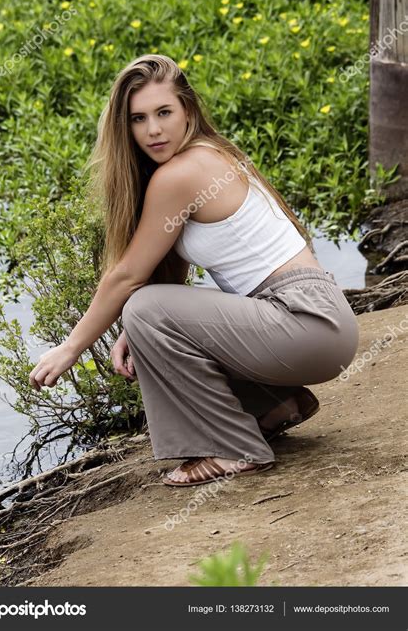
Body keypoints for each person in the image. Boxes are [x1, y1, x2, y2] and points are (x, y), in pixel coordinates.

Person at [29, 53, 360, 489]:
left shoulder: (181, 174)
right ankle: (274, 406)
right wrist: (143, 329)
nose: (153, 130)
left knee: (143, 304)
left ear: (187, 108)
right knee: (146, 311)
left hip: (306, 322)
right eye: (138, 118)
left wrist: (70, 348)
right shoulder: (208, 155)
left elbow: (127, 276)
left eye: (164, 112)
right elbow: (168, 275)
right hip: (317, 320)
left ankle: (233, 449)